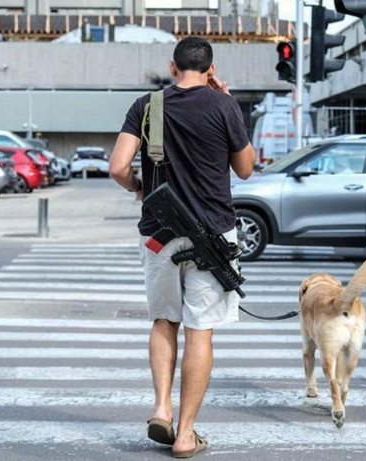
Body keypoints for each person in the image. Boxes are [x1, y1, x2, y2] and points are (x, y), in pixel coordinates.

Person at [109, 37, 255, 458]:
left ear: (173, 67)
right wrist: (227, 101)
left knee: (162, 322)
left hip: (160, 233)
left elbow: (118, 167)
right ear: (211, 69)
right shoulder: (224, 105)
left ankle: (161, 408)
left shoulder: (147, 105)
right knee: (200, 332)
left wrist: (140, 188)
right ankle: (187, 434)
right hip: (213, 237)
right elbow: (245, 169)